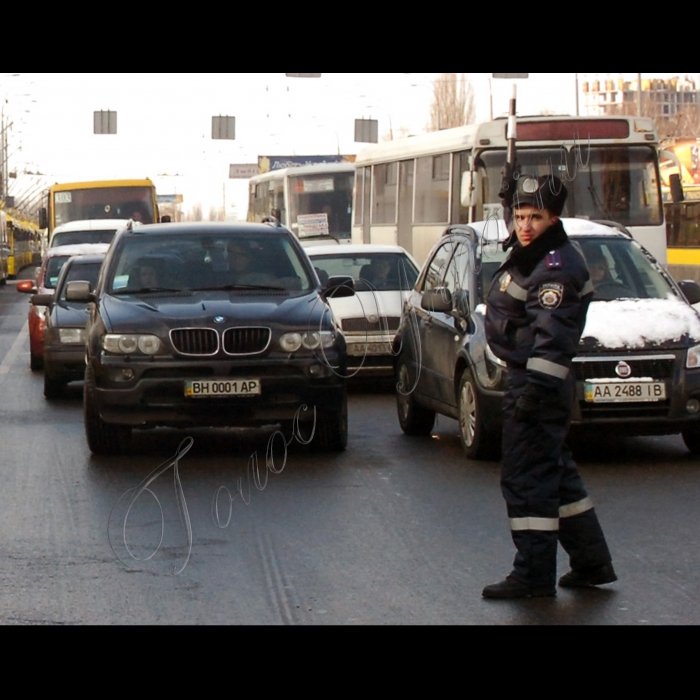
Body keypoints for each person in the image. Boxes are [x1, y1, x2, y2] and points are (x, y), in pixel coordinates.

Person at [482, 174, 616, 599]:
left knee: (527, 481)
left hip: (537, 384)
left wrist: (534, 393)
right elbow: (524, 226)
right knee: (557, 478)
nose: (523, 225)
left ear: (553, 217)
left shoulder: (555, 268)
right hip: (533, 381)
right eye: (518, 216)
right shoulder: (536, 249)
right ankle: (592, 563)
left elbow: (552, 339)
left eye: (534, 216)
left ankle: (533, 575)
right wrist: (510, 198)